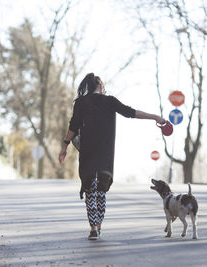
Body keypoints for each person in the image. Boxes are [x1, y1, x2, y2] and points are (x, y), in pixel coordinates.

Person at [59, 73, 166, 240]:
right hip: (105, 153)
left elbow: (73, 126)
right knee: (101, 190)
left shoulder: (80, 103)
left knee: (90, 189)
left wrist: (64, 146)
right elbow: (132, 112)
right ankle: (98, 224)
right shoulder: (110, 101)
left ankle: (94, 228)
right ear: (100, 86)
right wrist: (155, 117)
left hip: (87, 151)